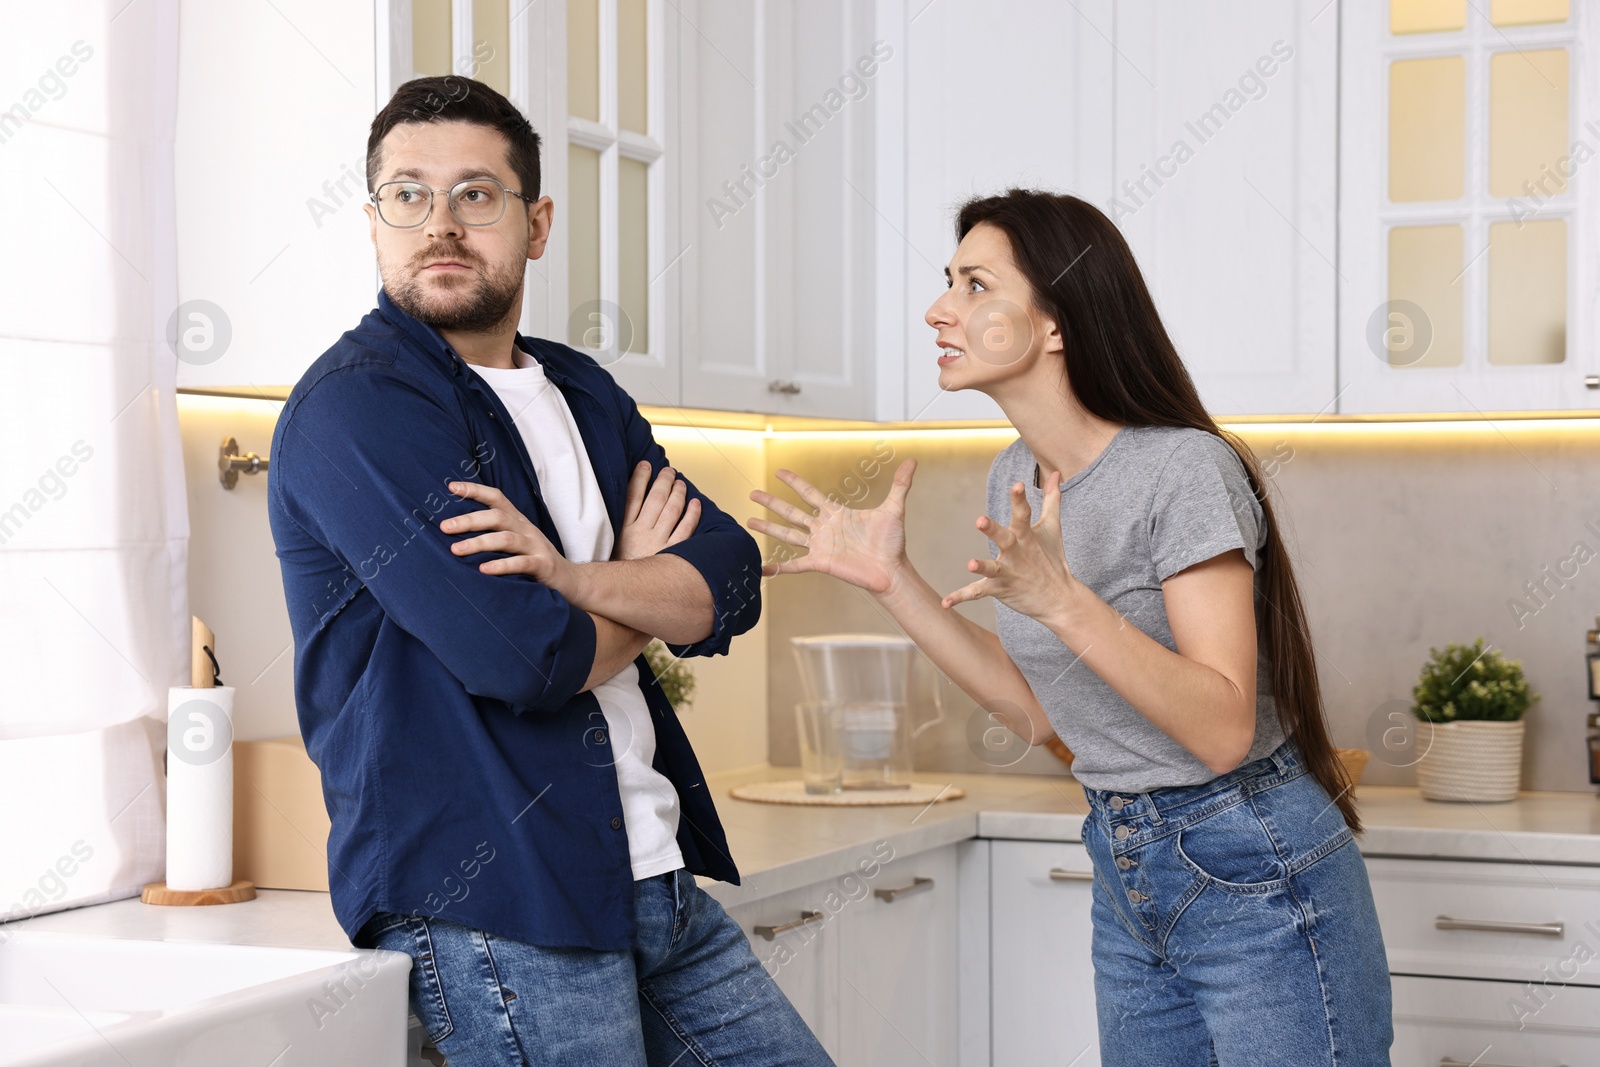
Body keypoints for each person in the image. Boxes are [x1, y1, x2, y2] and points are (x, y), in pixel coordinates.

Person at [749, 189, 1394, 1066]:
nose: (941, 308)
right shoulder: (1015, 475)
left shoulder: (1181, 468)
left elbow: (1221, 725)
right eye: (948, 282)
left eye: (976, 285)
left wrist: (1061, 599)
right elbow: (1044, 714)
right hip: (1128, 861)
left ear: (1057, 321)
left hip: (1251, 862)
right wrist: (890, 581)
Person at [268, 75, 834, 1066]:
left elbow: (732, 574)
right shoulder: (358, 408)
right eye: (408, 194)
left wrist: (576, 580)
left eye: (476, 194)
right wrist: (640, 576)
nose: (439, 223)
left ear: (535, 222)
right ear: (371, 222)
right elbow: (522, 657)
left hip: (650, 874)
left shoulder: (577, 387)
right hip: (497, 900)